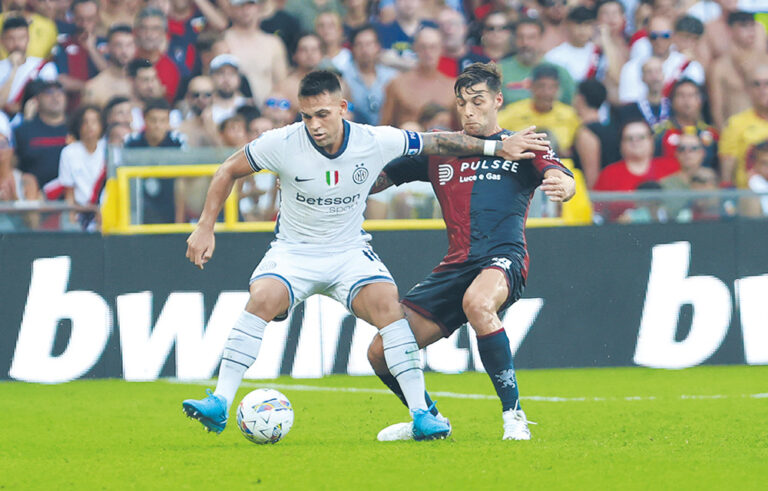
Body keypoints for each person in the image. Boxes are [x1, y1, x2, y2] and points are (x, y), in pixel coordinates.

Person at [181, 69, 550, 440]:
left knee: (389, 309)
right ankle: (219, 401)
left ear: (342, 108)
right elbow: (228, 169)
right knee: (262, 298)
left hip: (349, 253)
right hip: (295, 253)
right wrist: (205, 226)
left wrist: (496, 147)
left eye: (323, 114)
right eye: (307, 116)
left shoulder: (375, 139)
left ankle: (424, 415)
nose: (314, 125)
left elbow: (436, 143)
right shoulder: (281, 142)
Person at [366, 62, 575, 441]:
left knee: (479, 303)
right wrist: (336, 184)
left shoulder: (521, 143)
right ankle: (427, 418)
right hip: (455, 266)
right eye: (462, 103)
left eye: (478, 101)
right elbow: (379, 180)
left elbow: (557, 172)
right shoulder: (440, 149)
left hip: (503, 258)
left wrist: (563, 184)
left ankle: (514, 416)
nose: (469, 111)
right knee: (381, 351)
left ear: (497, 101)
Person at [379, 27, 456, 128]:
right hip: (409, 140)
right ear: (415, 48)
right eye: (423, 47)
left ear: (441, 49)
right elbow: (384, 129)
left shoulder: (453, 88)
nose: (428, 52)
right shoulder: (397, 84)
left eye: (433, 47)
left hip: (443, 141)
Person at [498, 64, 580, 157]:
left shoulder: (570, 115)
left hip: (562, 166)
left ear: (558, 89)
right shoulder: (513, 112)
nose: (547, 93)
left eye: (552, 87)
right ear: (532, 87)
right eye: (541, 86)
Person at [708, 11, 768, 129]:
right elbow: (716, 109)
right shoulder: (719, 66)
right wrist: (725, 137)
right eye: (744, 26)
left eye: (752, 25)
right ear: (730, 30)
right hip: (736, 132)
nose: (750, 31)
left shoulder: (766, 61)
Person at [498, 17, 575, 107]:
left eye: (531, 37)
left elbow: (571, 107)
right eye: (520, 37)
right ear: (515, 39)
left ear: (541, 39)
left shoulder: (560, 72)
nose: (525, 43)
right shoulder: (499, 71)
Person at [719, 64, 768, 188]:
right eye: (756, 84)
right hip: (748, 196)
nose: (762, 89)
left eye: (767, 83)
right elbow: (727, 165)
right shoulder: (735, 123)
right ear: (748, 90)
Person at [58, 104, 106, 230]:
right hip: (81, 213)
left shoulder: (108, 150)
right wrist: (72, 217)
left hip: (106, 212)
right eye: (85, 122)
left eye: (94, 121)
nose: (90, 126)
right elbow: (69, 192)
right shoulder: (68, 153)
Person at [655, 78, 718, 170]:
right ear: (672, 101)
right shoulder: (661, 133)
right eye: (681, 95)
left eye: (691, 95)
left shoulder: (711, 134)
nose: (686, 100)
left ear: (700, 101)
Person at [572, 78, 621, 188]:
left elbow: (591, 177)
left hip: (599, 198)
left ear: (580, 99)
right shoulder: (611, 128)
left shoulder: (586, 133)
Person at [82, 24, 135, 108]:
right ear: (108, 48)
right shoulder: (94, 87)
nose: (124, 51)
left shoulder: (145, 82)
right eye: (118, 45)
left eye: (129, 45)